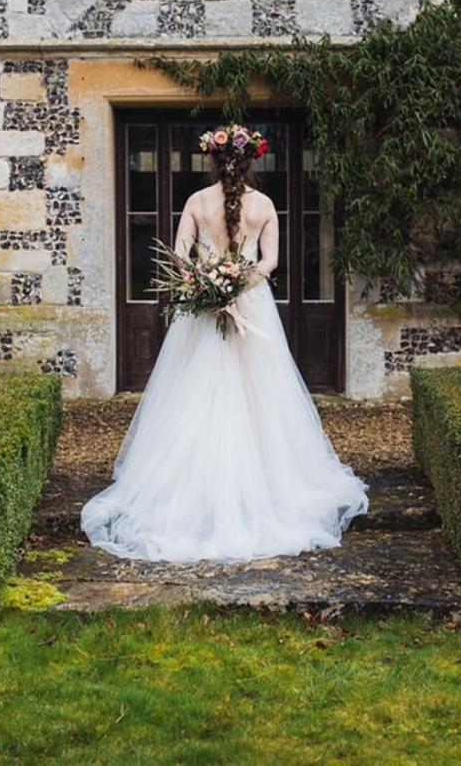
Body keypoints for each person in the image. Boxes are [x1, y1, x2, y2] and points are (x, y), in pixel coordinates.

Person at [80, 125, 369, 562]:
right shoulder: (266, 205)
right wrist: (237, 287)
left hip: (203, 312)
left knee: (194, 391)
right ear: (250, 162)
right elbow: (269, 262)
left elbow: (178, 258)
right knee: (261, 392)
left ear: (213, 162)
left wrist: (207, 287)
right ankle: (265, 484)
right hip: (252, 305)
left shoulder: (196, 202)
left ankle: (192, 489)